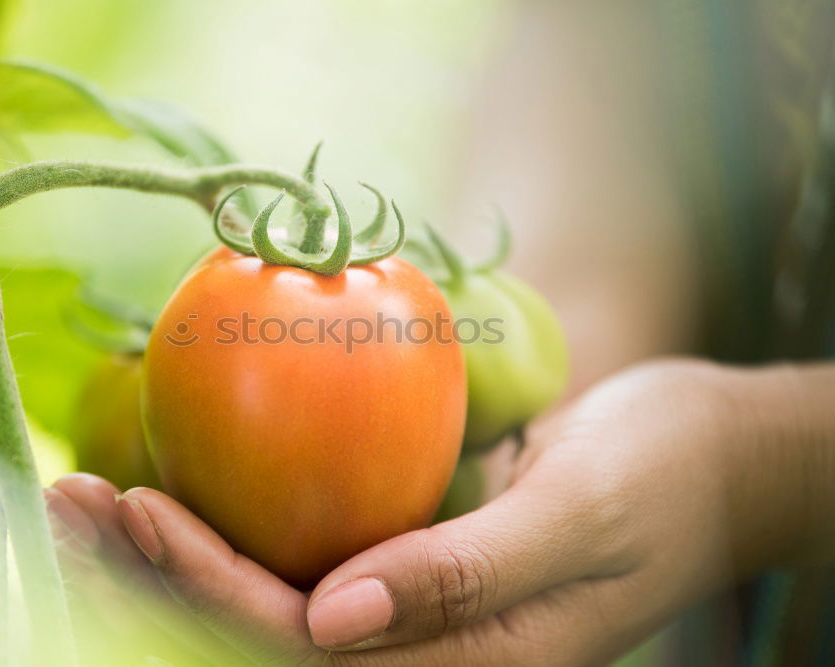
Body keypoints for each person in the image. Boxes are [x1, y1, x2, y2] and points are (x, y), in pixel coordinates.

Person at [45, 2, 835, 664]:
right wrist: (539, 421)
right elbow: (603, 58)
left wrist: (764, 461)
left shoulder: (247, 300)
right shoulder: (348, 302)